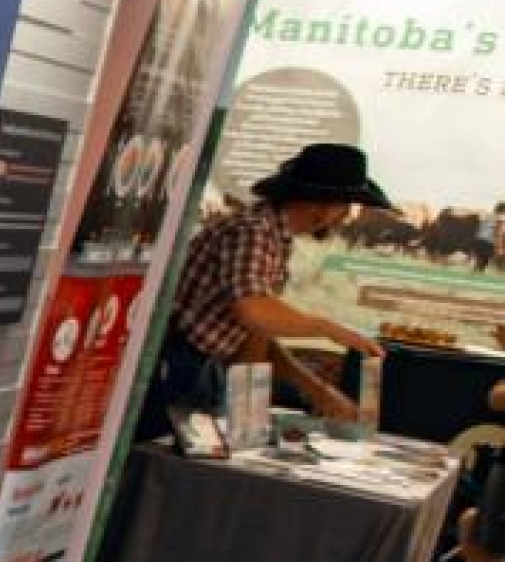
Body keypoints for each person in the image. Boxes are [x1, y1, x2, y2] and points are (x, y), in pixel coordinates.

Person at [154, 142, 390, 431]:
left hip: (198, 366)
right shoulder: (253, 231)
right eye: (345, 206)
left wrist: (317, 390)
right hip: (176, 363)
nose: (344, 216)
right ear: (323, 206)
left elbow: (257, 333)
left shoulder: (274, 238)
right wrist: (328, 329)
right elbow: (252, 310)